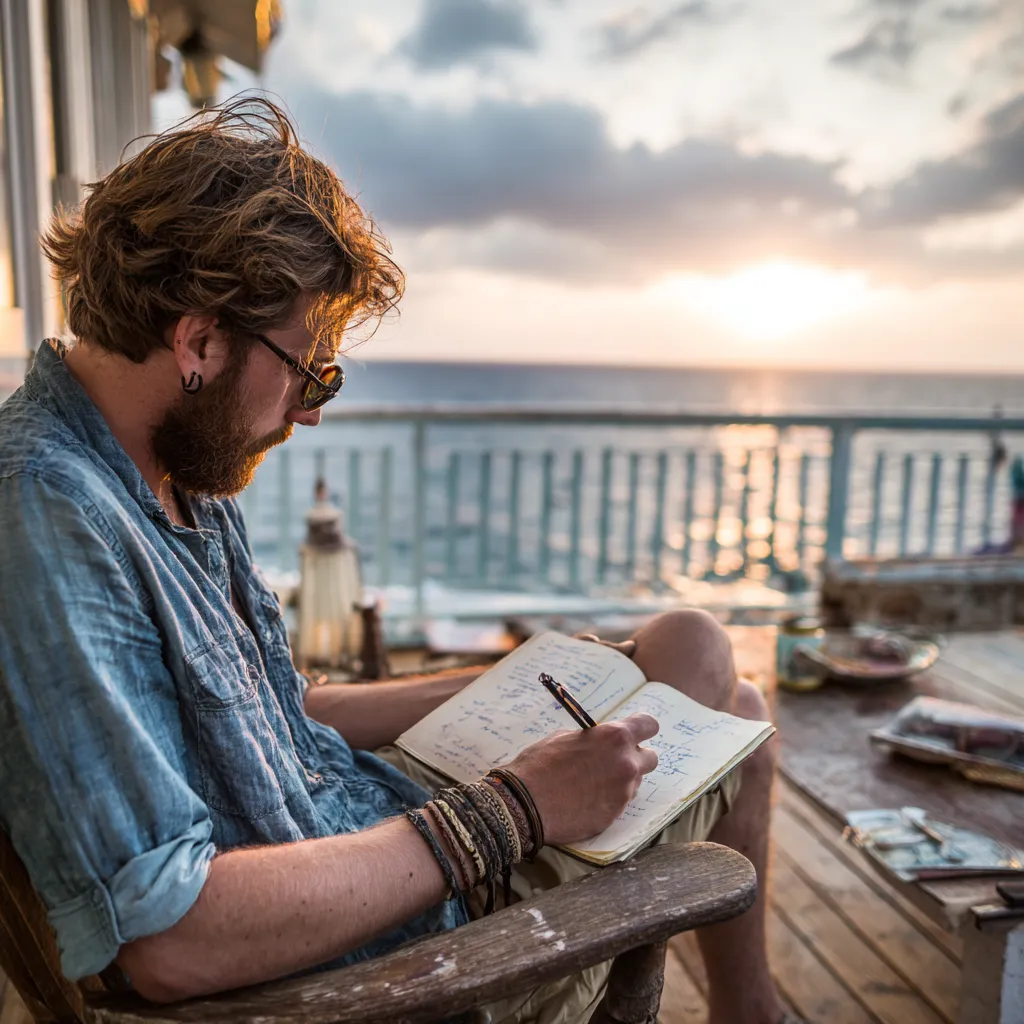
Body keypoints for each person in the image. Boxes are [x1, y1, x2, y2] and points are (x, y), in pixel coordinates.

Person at [0, 98, 790, 1024]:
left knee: (700, 675)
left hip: (368, 832)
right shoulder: (49, 517)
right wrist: (515, 810)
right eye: (310, 371)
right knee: (712, 675)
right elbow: (172, 938)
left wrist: (513, 679)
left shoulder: (165, 468)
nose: (310, 412)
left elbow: (267, 712)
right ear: (201, 340)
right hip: (388, 972)